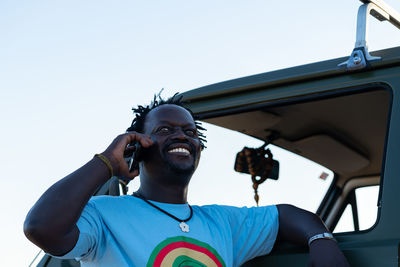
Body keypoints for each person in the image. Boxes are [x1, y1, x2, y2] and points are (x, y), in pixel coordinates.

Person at [24, 94, 350, 267]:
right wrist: (107, 163)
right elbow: (40, 227)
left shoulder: (222, 222)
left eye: (190, 132)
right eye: (164, 130)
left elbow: (287, 216)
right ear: (137, 145)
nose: (181, 135)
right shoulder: (104, 214)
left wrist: (321, 239)